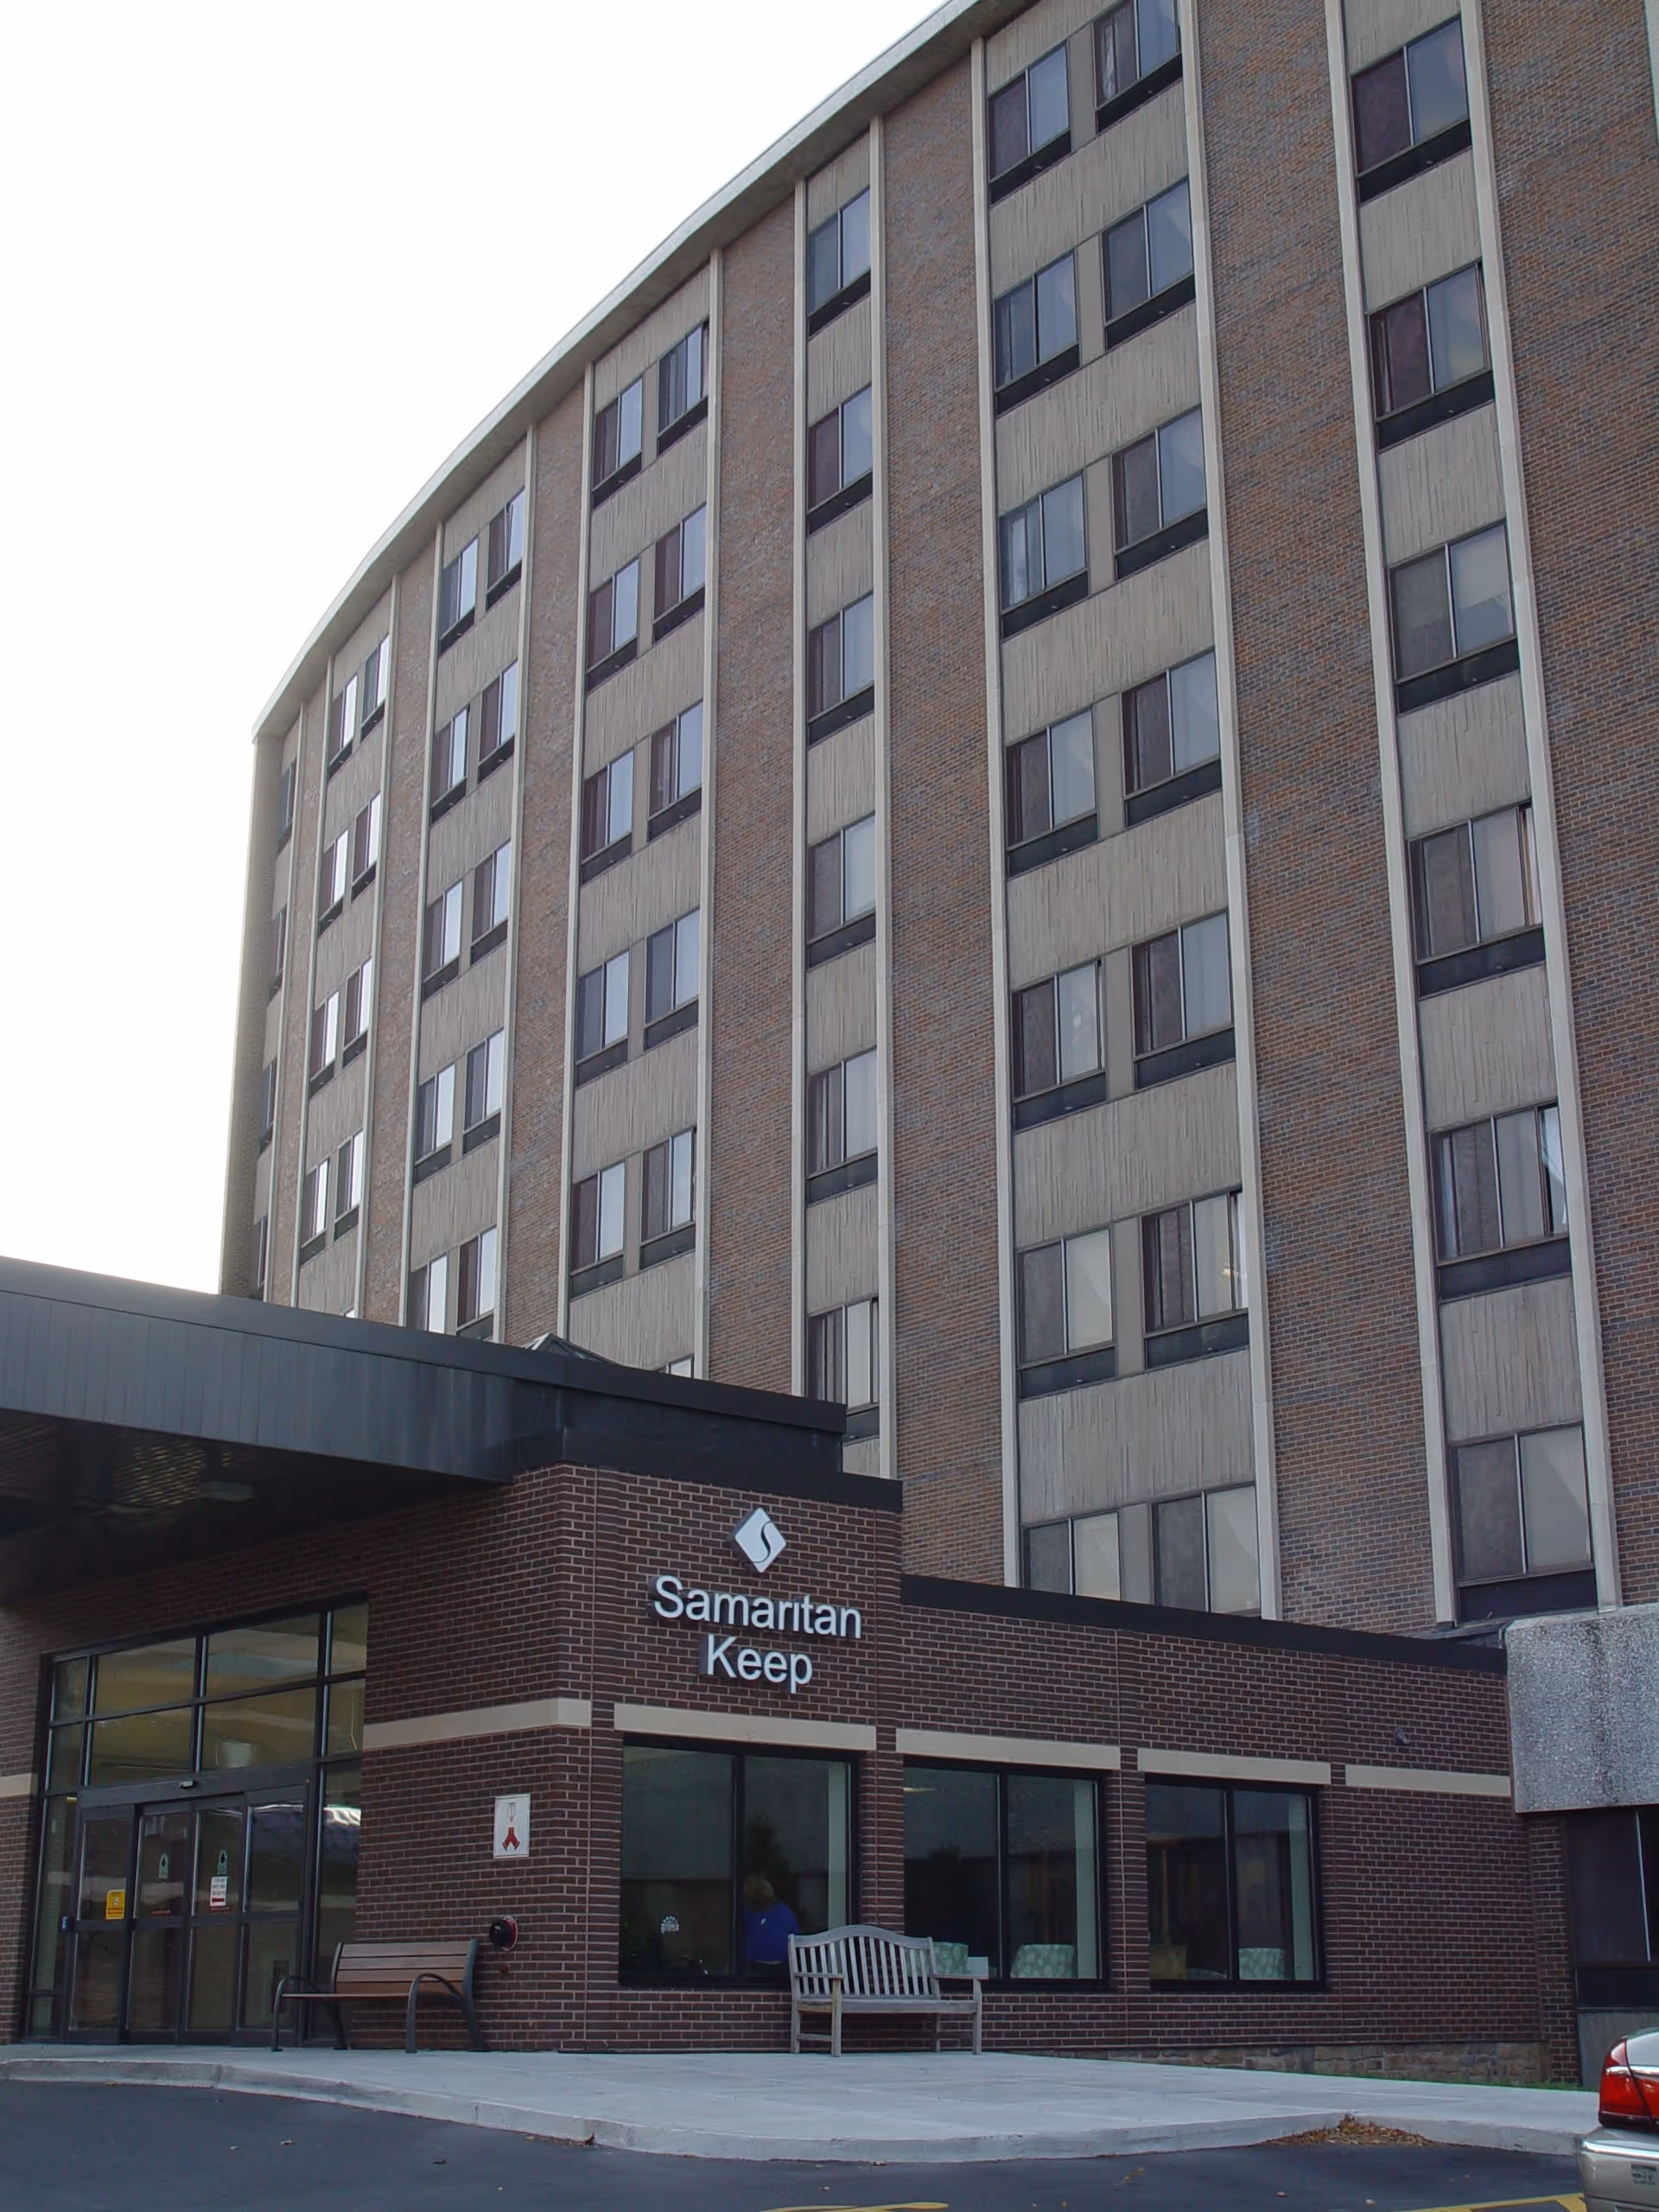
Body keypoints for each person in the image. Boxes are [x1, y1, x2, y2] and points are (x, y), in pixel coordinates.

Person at [743, 1873, 800, 1965]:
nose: (765, 1890)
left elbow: (797, 1942)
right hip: (753, 1970)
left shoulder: (785, 1913)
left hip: (783, 1970)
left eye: (766, 1886)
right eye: (761, 1887)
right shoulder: (748, 1914)